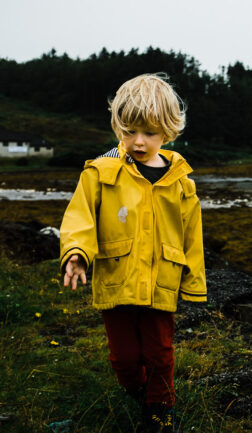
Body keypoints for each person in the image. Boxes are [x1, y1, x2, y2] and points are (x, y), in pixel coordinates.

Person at [59, 73, 206, 433]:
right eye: (129, 131)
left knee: (160, 352)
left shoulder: (181, 182)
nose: (138, 142)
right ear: (117, 127)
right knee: (123, 357)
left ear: (169, 131)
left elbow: (192, 235)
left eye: (150, 133)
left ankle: (160, 410)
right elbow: (80, 217)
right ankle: (135, 388)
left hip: (162, 282)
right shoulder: (100, 172)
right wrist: (76, 253)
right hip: (117, 281)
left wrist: (194, 283)